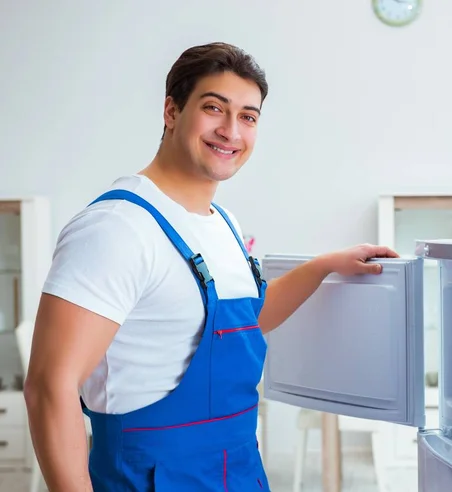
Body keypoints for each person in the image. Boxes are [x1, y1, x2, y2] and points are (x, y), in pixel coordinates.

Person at [24, 42, 399, 491]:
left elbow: (245, 320)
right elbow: (49, 388)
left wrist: (323, 266)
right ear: (171, 111)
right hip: (151, 477)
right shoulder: (116, 228)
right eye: (213, 108)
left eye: (247, 116)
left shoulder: (222, 222)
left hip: (238, 471)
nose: (230, 131)